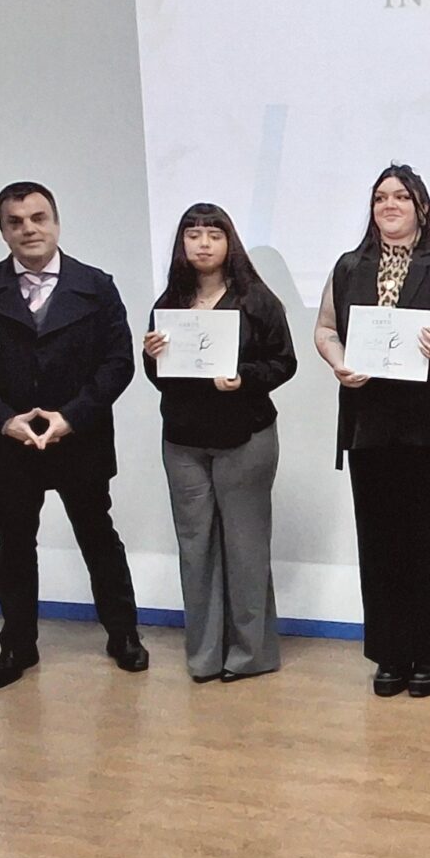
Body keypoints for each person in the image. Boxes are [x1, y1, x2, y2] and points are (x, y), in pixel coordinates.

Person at [0, 180, 145, 690]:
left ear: (56, 222)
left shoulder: (96, 285)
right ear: (2, 230)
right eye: (15, 222)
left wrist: (71, 417)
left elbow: (118, 363)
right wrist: (4, 419)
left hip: (79, 439)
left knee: (98, 538)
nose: (28, 230)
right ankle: (17, 645)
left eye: (38, 218)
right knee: (13, 546)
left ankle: (123, 635)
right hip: (7, 443)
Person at [311, 163, 430, 699]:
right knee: (379, 542)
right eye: (380, 197)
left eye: (401, 197)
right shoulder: (349, 266)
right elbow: (325, 328)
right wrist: (338, 361)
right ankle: (389, 653)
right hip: (370, 423)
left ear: (422, 207)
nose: (389, 205)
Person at [140, 203, 296, 684]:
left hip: (245, 437)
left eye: (213, 234)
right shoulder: (170, 303)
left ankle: (251, 654)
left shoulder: (257, 301)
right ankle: (204, 655)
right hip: (184, 441)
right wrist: (151, 356)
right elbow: (160, 378)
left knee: (245, 548)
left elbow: (284, 363)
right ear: (181, 244)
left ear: (230, 242)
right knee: (195, 548)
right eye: (193, 235)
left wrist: (243, 378)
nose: (203, 244)